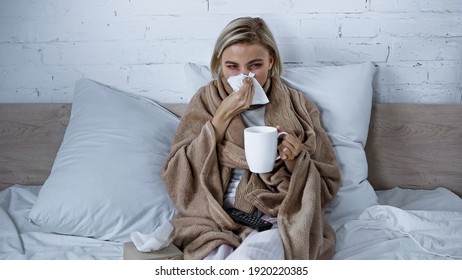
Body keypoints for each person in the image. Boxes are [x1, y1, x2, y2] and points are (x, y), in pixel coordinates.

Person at [162, 17, 340, 260]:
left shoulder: (299, 105)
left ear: (271, 61)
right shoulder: (205, 100)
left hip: (276, 214)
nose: (245, 76)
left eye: (255, 65)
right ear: (219, 64)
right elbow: (177, 172)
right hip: (216, 215)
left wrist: (295, 160)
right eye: (232, 66)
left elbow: (327, 182)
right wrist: (222, 115)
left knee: (257, 253)